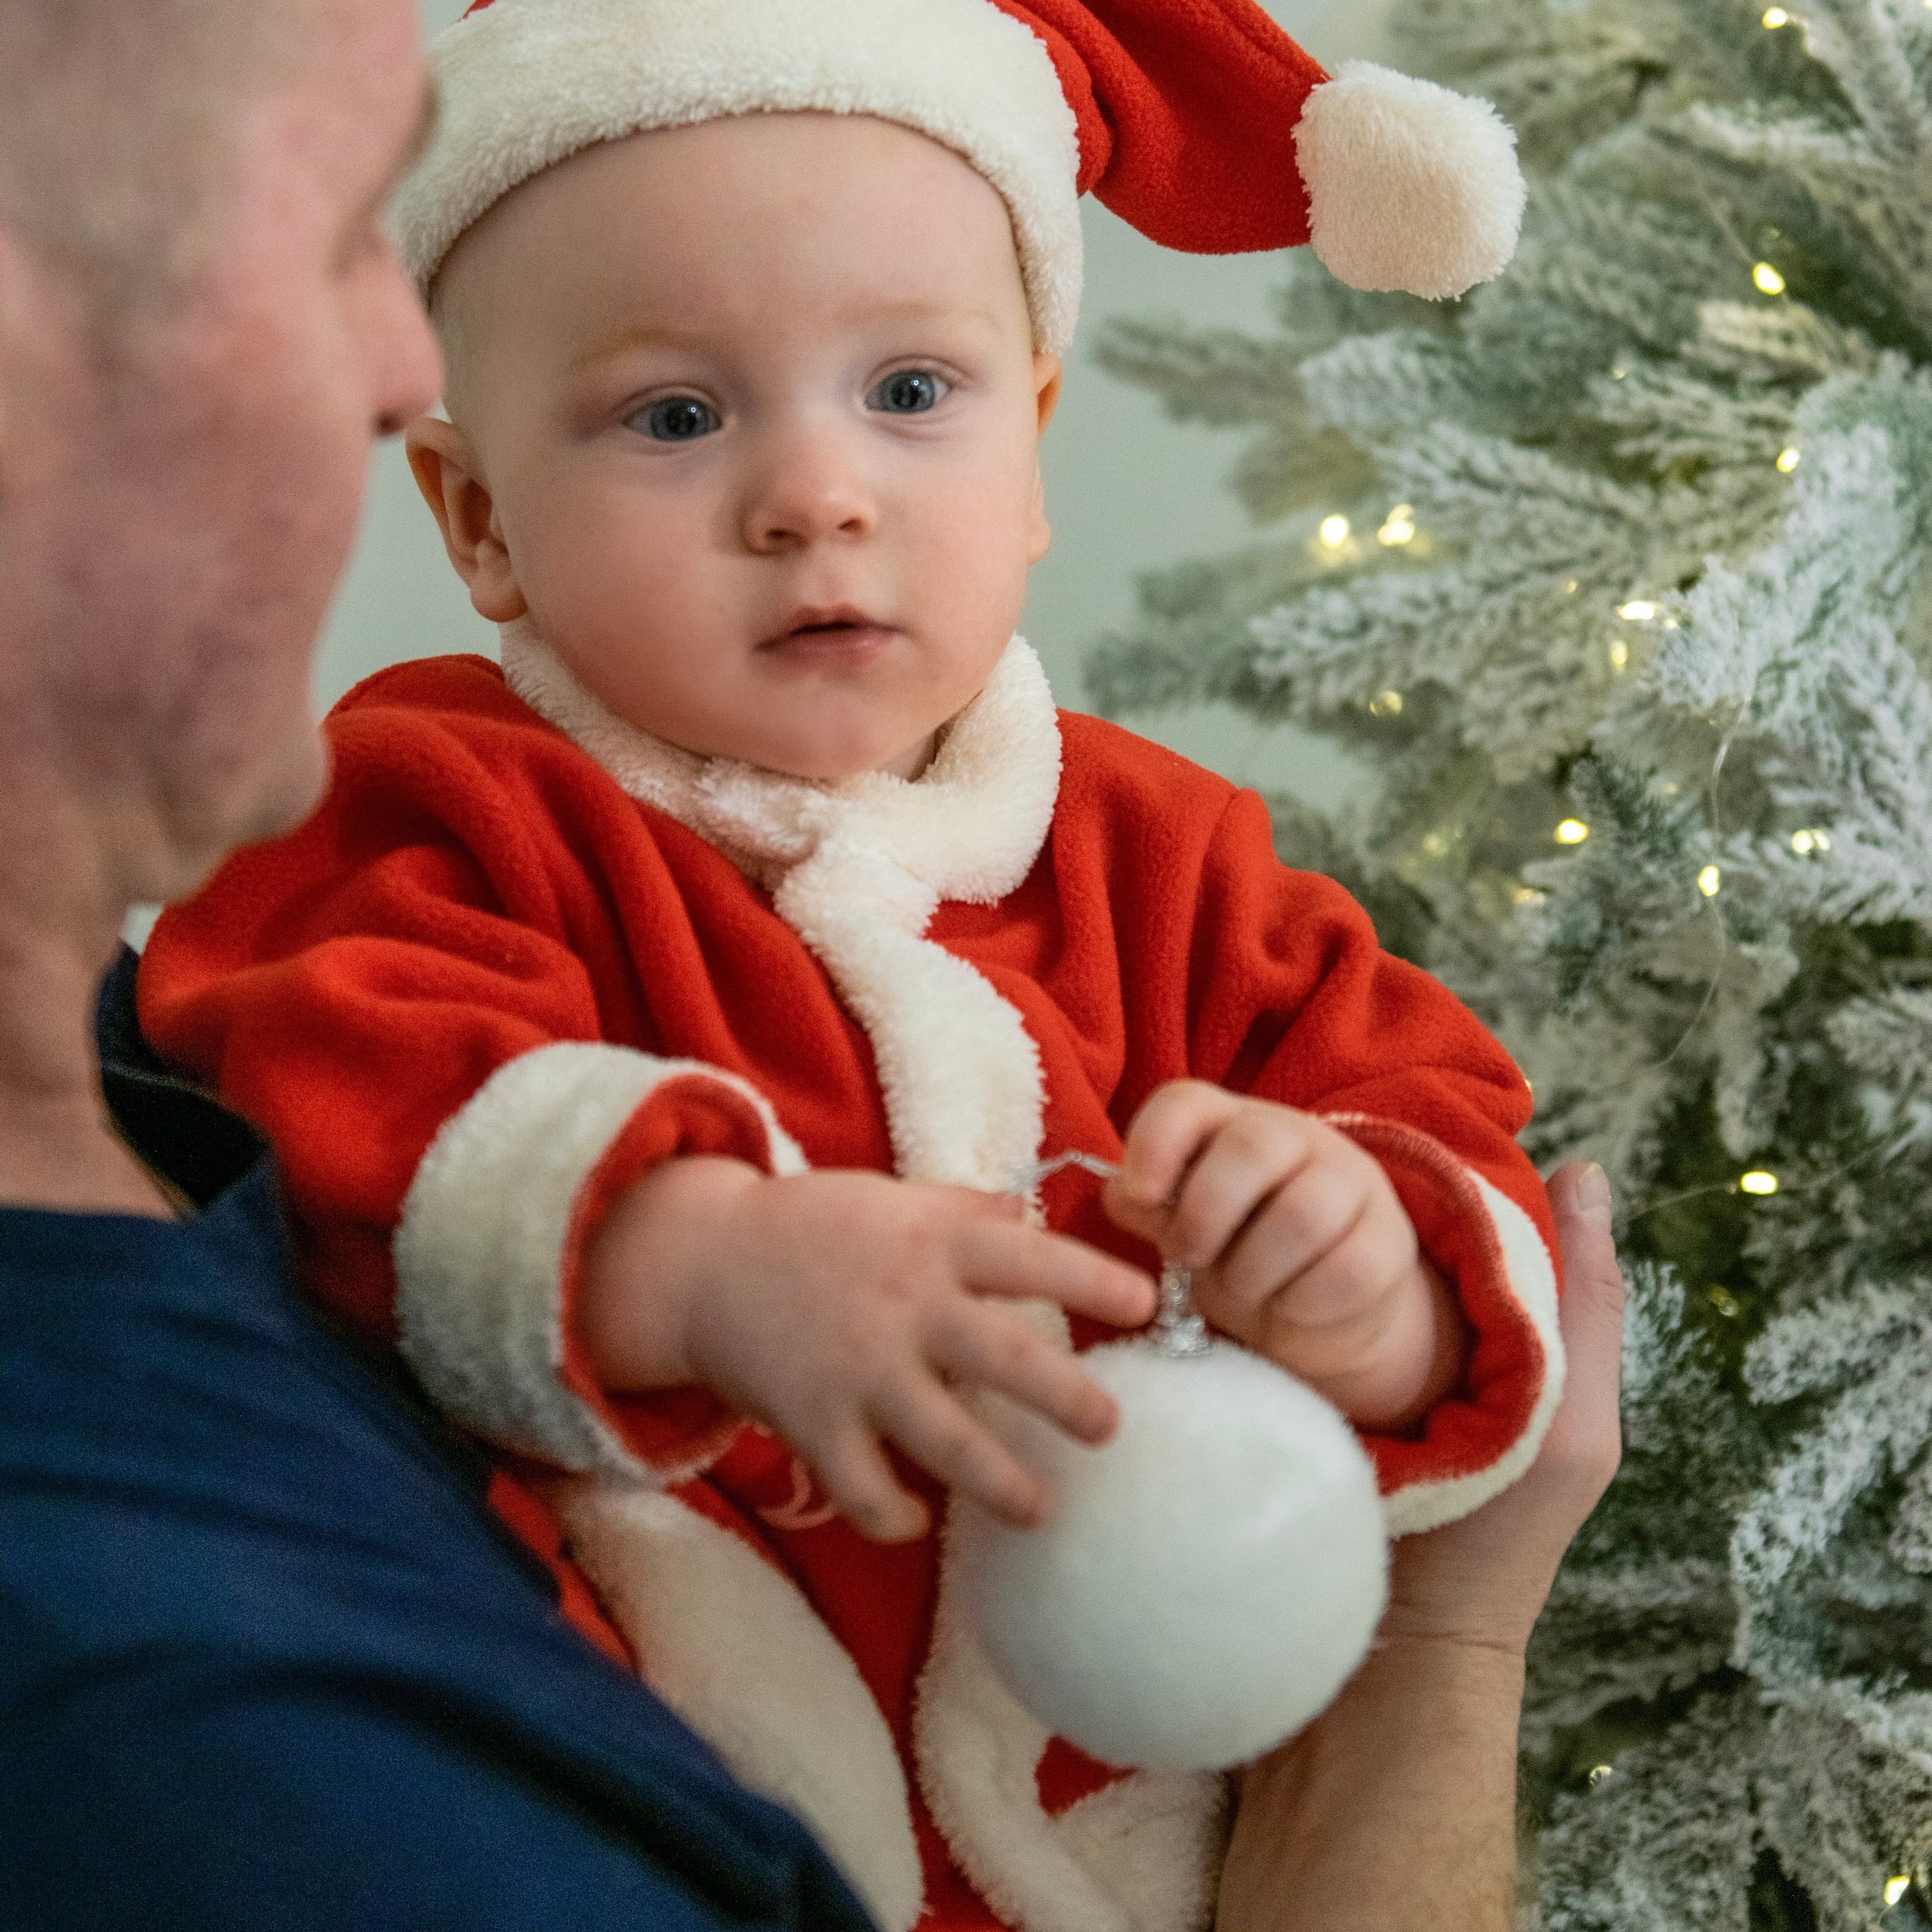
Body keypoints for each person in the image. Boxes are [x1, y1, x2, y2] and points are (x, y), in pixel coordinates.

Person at [0, 0, 1623, 1924]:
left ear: (1029, 451)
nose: (813, 494)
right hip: (704, 1742)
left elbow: (1423, 1100)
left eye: (910, 392)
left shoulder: (1157, 849)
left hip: (1133, 1803)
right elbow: (339, 1076)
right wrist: (693, 1258)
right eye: (675, 416)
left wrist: (1372, 1280)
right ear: (478, 517)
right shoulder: (432, 802)